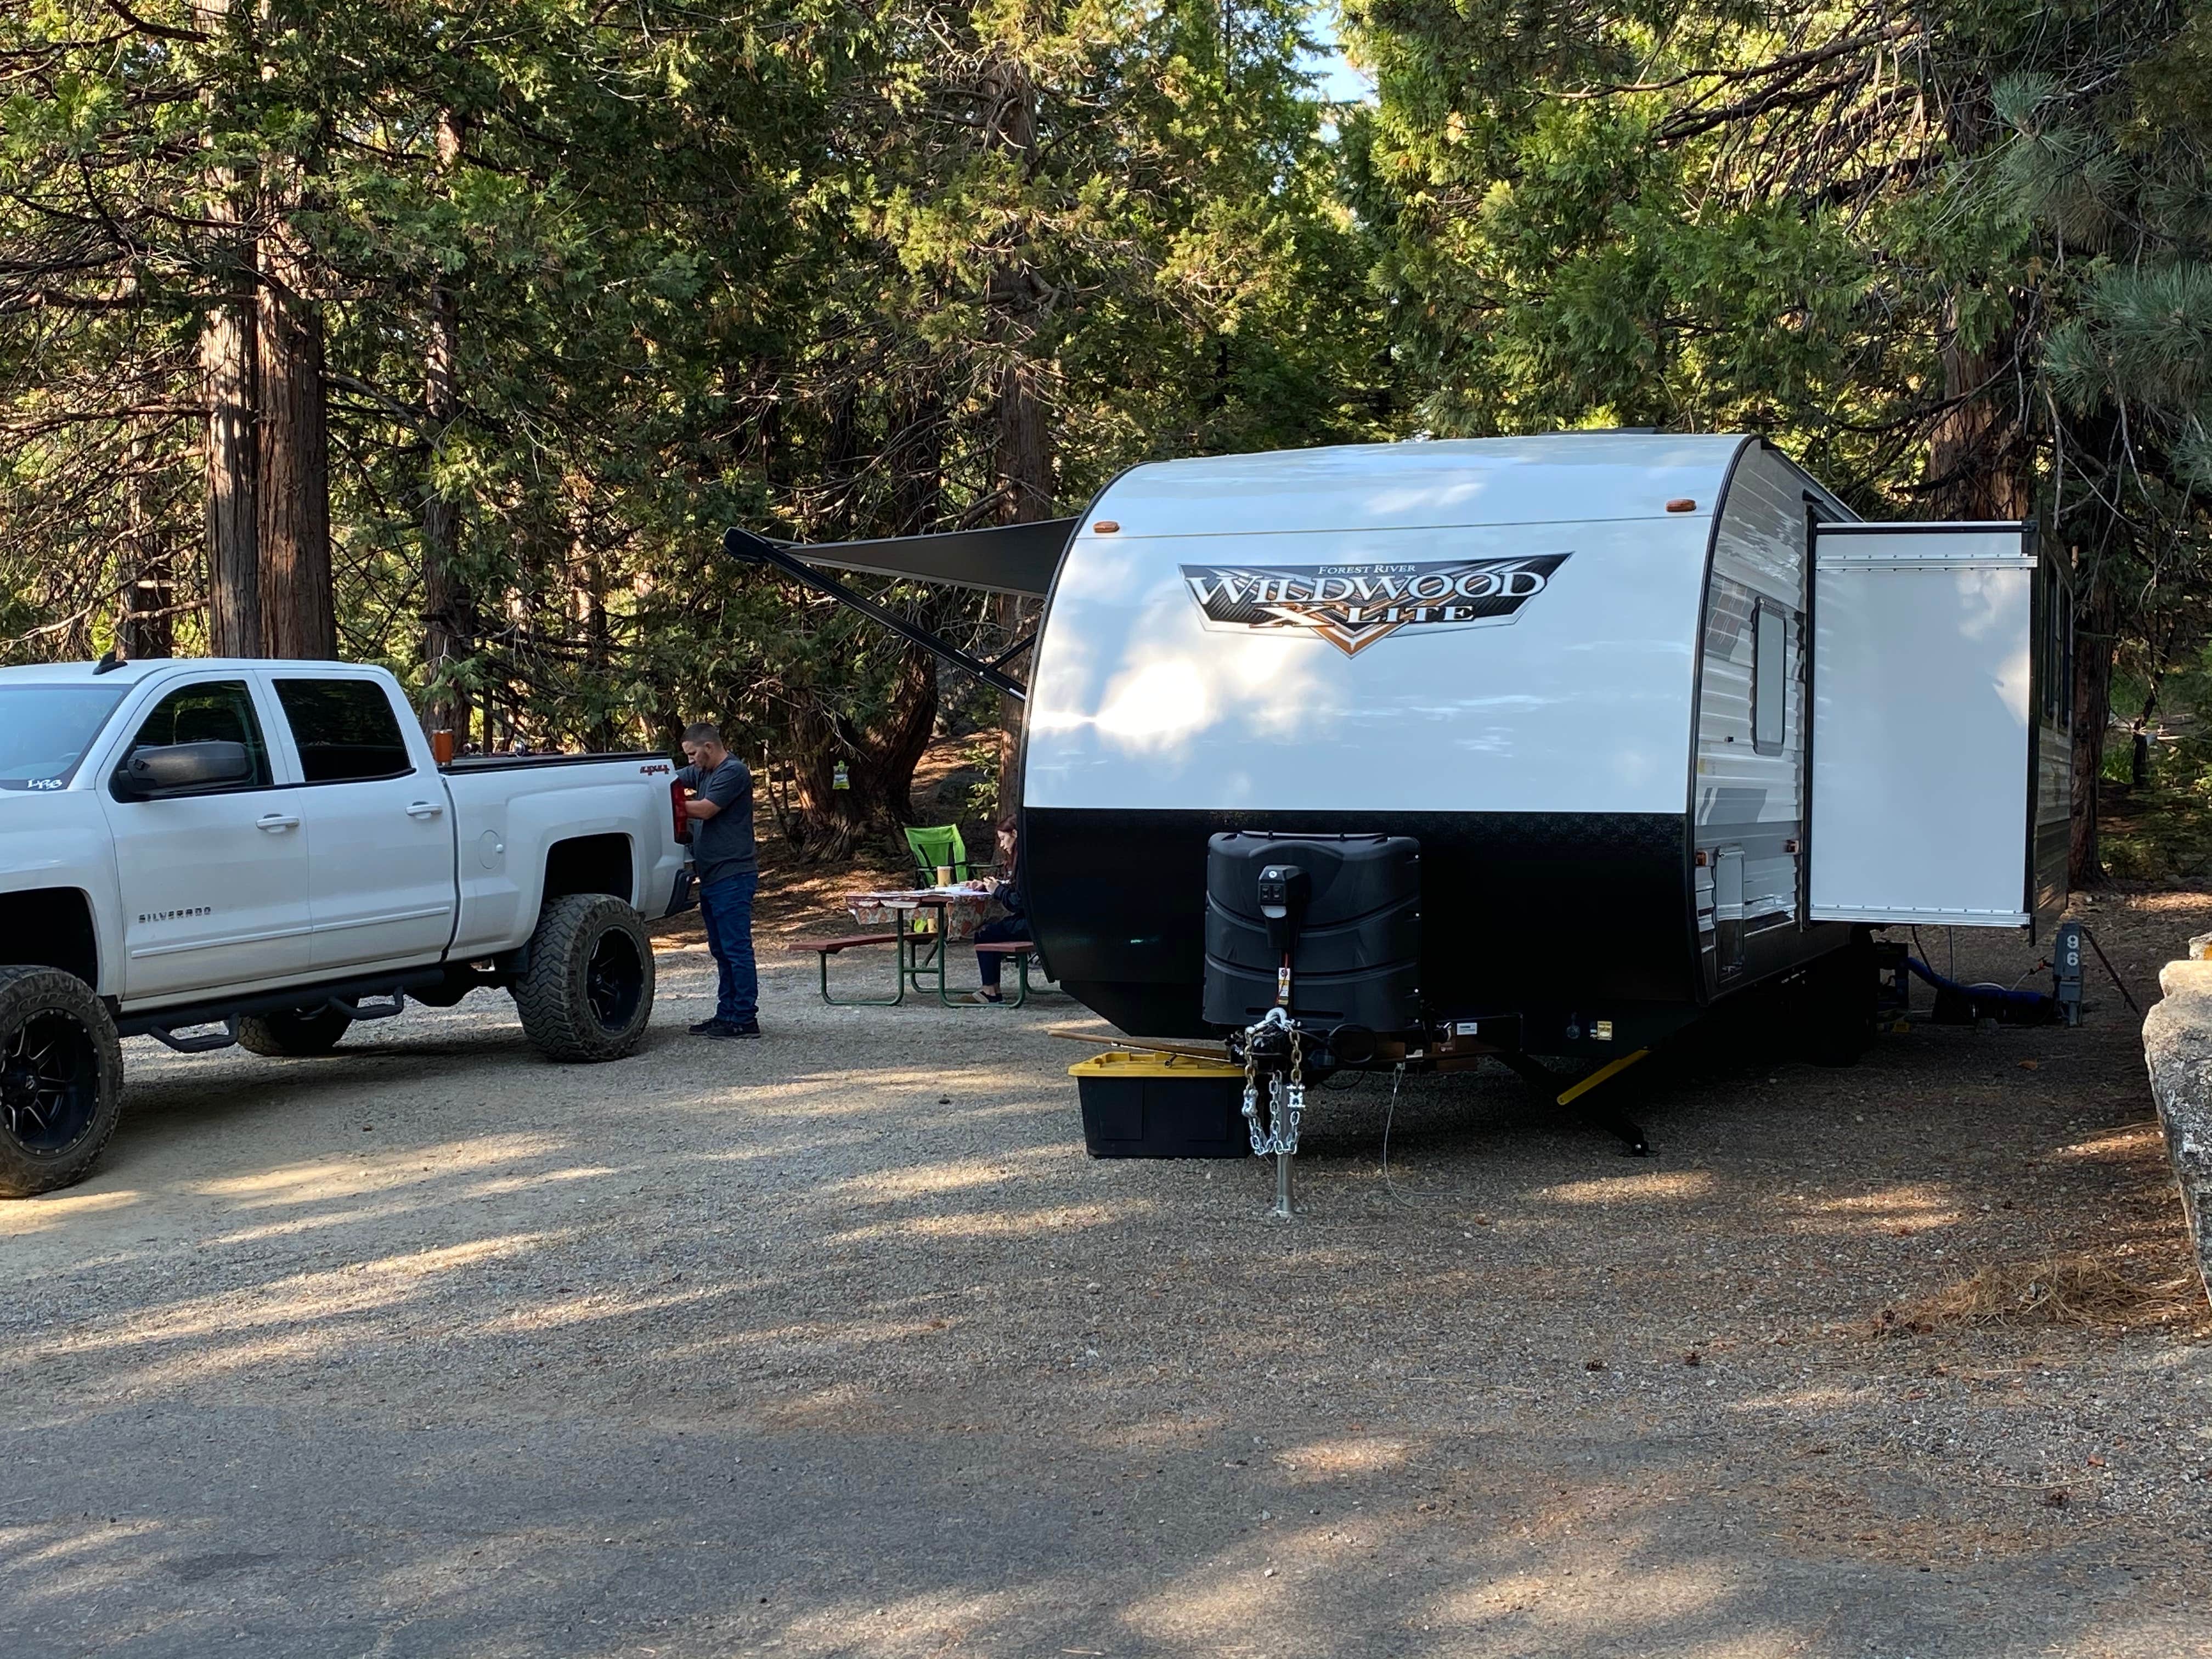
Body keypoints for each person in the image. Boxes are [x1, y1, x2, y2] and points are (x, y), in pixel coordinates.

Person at [676, 721, 760, 1039]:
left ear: (708, 748)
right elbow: (671, 780)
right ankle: (726, 1013)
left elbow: (706, 810)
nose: (690, 761)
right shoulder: (702, 772)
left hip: (733, 874)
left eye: (693, 754)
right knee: (721, 949)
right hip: (711, 876)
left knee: (736, 948)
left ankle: (744, 1017)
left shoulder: (733, 771)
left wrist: (668, 805)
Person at [960, 815, 1027, 1005]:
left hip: (1034, 925)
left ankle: (990, 991)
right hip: (1042, 922)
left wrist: (998, 891)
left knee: (983, 932)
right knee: (991, 929)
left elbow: (1019, 902)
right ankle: (992, 989)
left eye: (1003, 839)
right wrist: (991, 886)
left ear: (1014, 834)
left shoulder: (1023, 860)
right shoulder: (1030, 857)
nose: (1002, 845)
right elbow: (1020, 889)